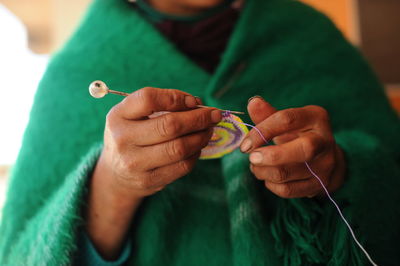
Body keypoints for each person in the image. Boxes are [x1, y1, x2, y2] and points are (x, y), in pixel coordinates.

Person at [1, 0, 399, 265]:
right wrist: (112, 184)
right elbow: (20, 254)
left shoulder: (313, 41)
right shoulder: (75, 72)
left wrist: (340, 171)